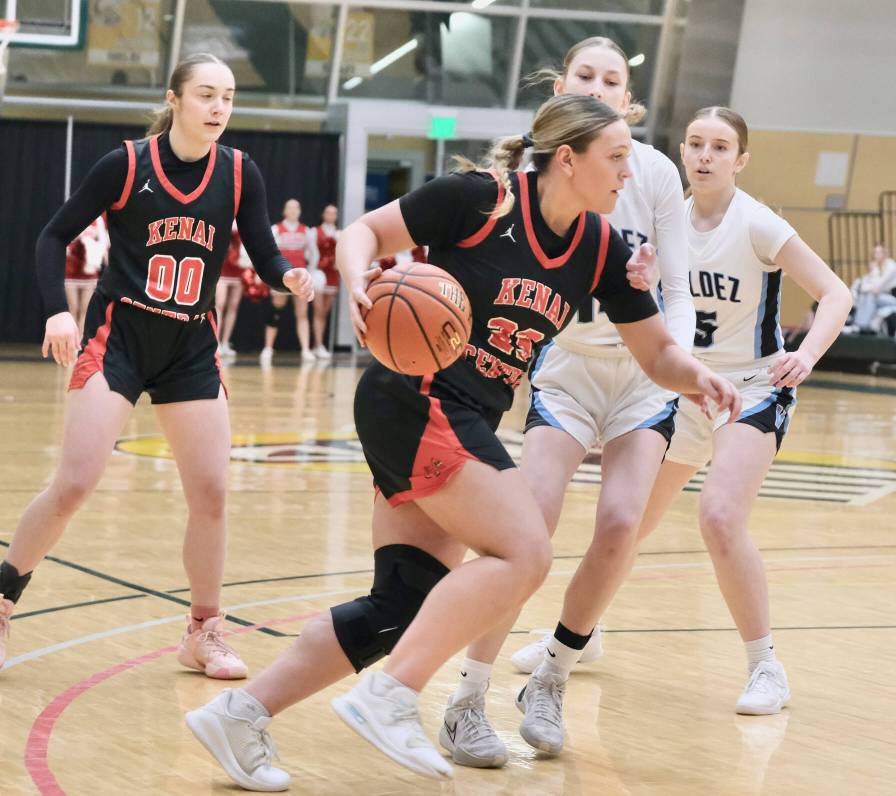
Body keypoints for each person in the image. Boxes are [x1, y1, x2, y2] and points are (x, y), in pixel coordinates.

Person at [185, 92, 741, 789]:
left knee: (401, 602)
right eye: (617, 157)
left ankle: (241, 713)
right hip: (416, 396)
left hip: (454, 413)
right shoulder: (482, 200)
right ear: (566, 159)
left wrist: (699, 379)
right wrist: (358, 284)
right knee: (525, 550)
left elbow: (656, 354)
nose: (629, 173)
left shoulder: (601, 246)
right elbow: (362, 235)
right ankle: (390, 696)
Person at [0, 53, 313, 674]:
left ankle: (203, 630)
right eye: (205, 95)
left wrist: (289, 277)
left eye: (227, 97)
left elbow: (263, 251)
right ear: (174, 99)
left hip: (190, 347)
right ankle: (3, 601)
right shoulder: (125, 163)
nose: (219, 108)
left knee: (213, 493)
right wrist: (57, 311)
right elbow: (51, 237)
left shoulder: (240, 171)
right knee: (74, 484)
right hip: (121, 340)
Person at [440, 36, 696, 768]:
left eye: (613, 79)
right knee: (530, 527)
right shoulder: (534, 174)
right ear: (562, 86)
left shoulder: (652, 174)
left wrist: (676, 362)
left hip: (642, 378)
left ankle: (552, 676)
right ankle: (468, 696)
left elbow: (676, 292)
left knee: (620, 525)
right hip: (568, 370)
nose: (599, 85)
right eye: (586, 74)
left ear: (628, 99)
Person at [633, 106, 851, 716]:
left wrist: (806, 354)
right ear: (681, 152)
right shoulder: (660, 221)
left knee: (720, 516)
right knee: (626, 518)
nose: (706, 156)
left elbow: (836, 293)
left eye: (720, 147)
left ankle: (766, 667)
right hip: (683, 388)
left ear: (740, 160)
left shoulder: (759, 224)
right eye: (697, 144)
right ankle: (578, 633)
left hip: (752, 388)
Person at [260, 199, 318, 365]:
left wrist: (311, 273)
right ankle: (268, 348)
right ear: (284, 211)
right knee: (275, 312)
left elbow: (314, 254)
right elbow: (270, 252)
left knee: (302, 313)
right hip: (283, 276)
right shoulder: (276, 229)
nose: (293, 211)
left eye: (296, 208)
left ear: (300, 211)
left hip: (300, 278)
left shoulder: (306, 231)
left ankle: (306, 349)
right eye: (290, 208)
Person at [850, 243, 896, 333]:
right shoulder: (880, 267)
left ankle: (861, 325)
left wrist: (874, 271)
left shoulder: (891, 267)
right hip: (887, 298)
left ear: (884, 254)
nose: (875, 255)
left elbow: (876, 286)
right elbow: (865, 285)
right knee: (865, 295)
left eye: (879, 252)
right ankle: (857, 323)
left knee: (871, 295)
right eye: (874, 253)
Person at [64, 215, 108, 331]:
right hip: (71, 271)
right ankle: (71, 345)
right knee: (73, 309)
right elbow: (61, 241)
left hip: (90, 272)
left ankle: (80, 344)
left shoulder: (98, 220)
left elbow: (103, 242)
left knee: (86, 310)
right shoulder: (72, 218)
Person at [311, 204, 341, 359]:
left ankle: (320, 344)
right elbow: (311, 252)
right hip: (318, 272)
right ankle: (318, 344)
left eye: (334, 213)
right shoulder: (315, 232)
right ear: (324, 214)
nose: (331, 215)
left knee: (324, 312)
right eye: (328, 212)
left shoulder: (340, 233)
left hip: (333, 274)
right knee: (318, 310)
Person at [215, 221, 244, 357]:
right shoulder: (223, 214)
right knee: (219, 305)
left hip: (239, 267)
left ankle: (225, 342)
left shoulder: (245, 218)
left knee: (233, 306)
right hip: (222, 266)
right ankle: (216, 343)